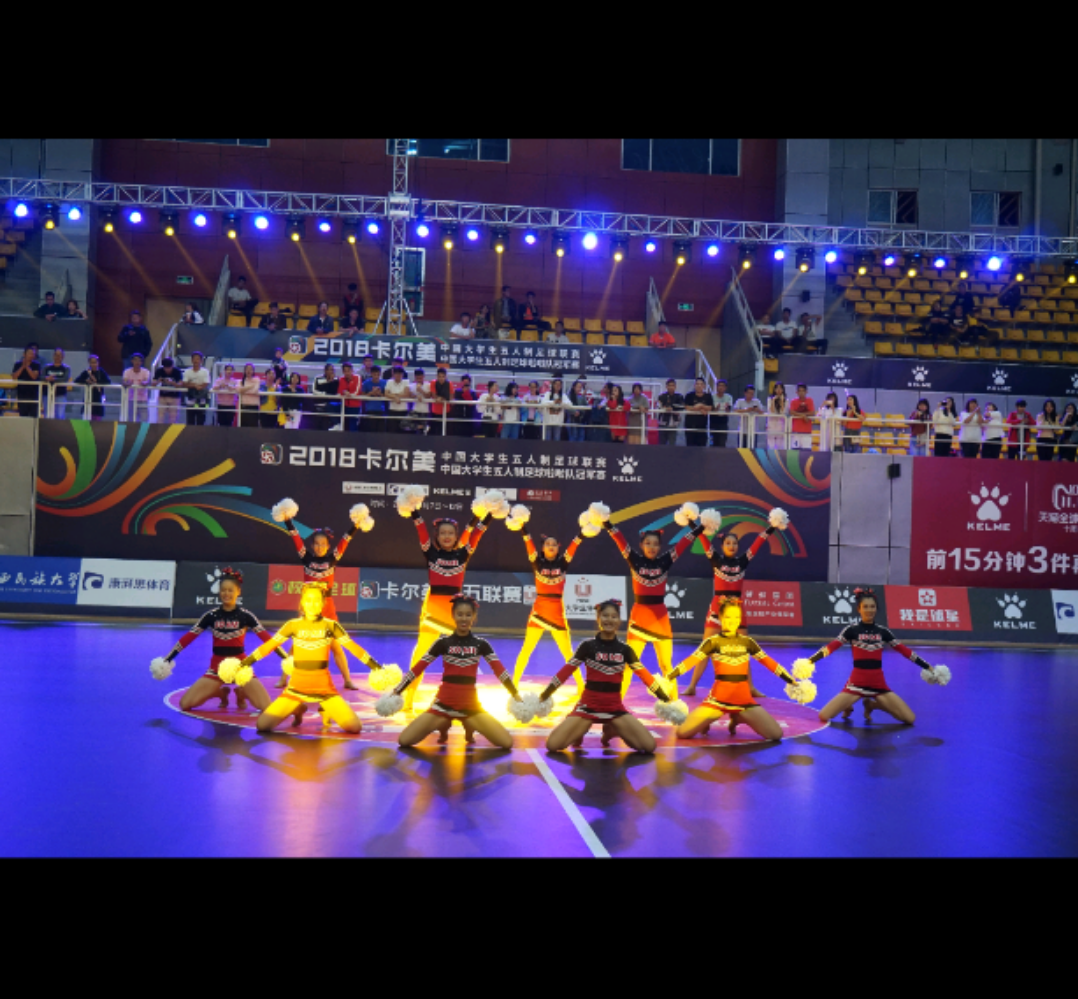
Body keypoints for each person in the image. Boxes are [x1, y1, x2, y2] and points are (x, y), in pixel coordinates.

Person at [239, 583, 384, 735]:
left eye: (316, 600)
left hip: (325, 689)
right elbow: (268, 647)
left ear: (323, 603)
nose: (312, 604)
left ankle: (326, 708)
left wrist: (376, 667)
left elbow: (353, 648)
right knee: (262, 725)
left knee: (355, 727)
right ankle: (297, 708)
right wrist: (245, 663)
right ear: (302, 602)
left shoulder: (331, 625)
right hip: (295, 689)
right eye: (308, 600)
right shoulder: (292, 625)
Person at [389, 595, 522, 749]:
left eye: (468, 615)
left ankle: (469, 725)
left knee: (507, 742)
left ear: (474, 617)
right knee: (404, 740)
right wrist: (398, 691)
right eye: (460, 614)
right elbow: (418, 668)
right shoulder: (442, 643)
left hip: (470, 708)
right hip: (442, 706)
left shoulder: (481, 644)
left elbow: (500, 671)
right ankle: (443, 723)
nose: (464, 619)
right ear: (453, 615)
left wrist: (515, 694)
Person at [542, 600, 674, 754]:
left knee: (649, 746)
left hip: (615, 708)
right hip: (588, 707)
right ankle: (577, 727)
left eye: (614, 616)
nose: (609, 620)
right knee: (552, 745)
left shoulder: (625, 650)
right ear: (598, 618)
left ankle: (610, 729)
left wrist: (665, 698)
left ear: (619, 621)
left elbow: (644, 675)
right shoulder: (587, 646)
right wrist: (545, 694)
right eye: (605, 616)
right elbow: (566, 671)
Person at [401, 490, 492, 711]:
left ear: (456, 535)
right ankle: (408, 697)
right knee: (421, 655)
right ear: (437, 536)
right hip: (433, 610)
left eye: (451, 532)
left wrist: (490, 513)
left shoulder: (463, 554)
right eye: (443, 533)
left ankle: (462, 696)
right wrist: (413, 509)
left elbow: (477, 534)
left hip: (455, 612)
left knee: (460, 656)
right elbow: (420, 530)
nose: (447, 536)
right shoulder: (430, 553)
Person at [273, 498, 373, 690]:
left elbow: (345, 541)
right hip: (308, 609)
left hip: (327, 608)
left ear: (328, 546)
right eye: (316, 544)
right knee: (297, 645)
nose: (319, 547)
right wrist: (287, 520)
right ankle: (283, 678)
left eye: (323, 544)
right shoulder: (306, 559)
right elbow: (295, 537)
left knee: (335, 644)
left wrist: (356, 525)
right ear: (312, 546)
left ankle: (347, 680)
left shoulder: (332, 560)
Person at [667, 597, 801, 741]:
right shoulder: (712, 642)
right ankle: (710, 719)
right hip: (717, 701)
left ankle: (738, 717)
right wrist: (669, 677)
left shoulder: (747, 642)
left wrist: (791, 681)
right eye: (728, 617)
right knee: (682, 732)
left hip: (744, 701)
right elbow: (691, 661)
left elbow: (769, 663)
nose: (733, 621)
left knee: (776, 734)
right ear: (720, 618)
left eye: (737, 617)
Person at [602, 512, 705, 695]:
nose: (651, 547)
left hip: (660, 619)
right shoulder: (634, 559)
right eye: (648, 543)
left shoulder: (666, 560)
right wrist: (607, 523)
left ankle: (674, 705)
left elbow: (683, 544)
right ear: (642, 545)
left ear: (660, 547)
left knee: (666, 666)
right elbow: (620, 540)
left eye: (655, 544)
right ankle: (616, 704)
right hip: (639, 617)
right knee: (629, 665)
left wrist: (699, 528)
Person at [807, 587, 943, 725]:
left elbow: (905, 651)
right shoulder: (851, 630)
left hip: (878, 685)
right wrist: (810, 661)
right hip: (856, 685)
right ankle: (848, 705)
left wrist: (928, 667)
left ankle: (872, 705)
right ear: (859, 609)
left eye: (872, 607)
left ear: (876, 609)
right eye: (865, 607)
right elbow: (830, 647)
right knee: (824, 715)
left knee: (909, 719)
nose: (869, 610)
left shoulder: (883, 632)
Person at [683, 513, 784, 699]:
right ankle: (692, 686)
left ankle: (750, 687)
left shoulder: (742, 561)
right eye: (728, 543)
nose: (731, 546)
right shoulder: (715, 559)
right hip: (717, 609)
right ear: (722, 546)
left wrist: (772, 526)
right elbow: (703, 539)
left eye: (735, 543)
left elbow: (758, 543)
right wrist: (691, 523)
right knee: (705, 649)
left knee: (744, 649)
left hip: (737, 610)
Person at [153, 568, 278, 714]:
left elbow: (268, 640)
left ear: (238, 591)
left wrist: (287, 658)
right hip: (216, 668)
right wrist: (168, 658)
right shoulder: (211, 616)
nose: (226, 593)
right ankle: (220, 693)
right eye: (223, 590)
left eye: (230, 590)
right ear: (219, 592)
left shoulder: (246, 616)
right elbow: (188, 638)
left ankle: (242, 693)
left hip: (241, 667)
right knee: (185, 704)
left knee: (266, 707)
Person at [511, 526, 586, 692]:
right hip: (539, 612)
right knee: (526, 649)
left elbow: (574, 546)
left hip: (557, 613)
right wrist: (523, 527)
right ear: (543, 548)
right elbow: (528, 544)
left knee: (568, 653)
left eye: (554, 544)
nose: (551, 546)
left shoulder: (563, 562)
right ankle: (514, 683)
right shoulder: (536, 561)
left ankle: (581, 687)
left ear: (558, 548)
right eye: (547, 544)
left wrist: (582, 533)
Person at [74, 355, 112, 420]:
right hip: (88, 398)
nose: (94, 364)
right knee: (86, 420)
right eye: (92, 362)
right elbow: (76, 380)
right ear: (89, 363)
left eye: (95, 362)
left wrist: (97, 381)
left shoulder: (101, 372)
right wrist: (86, 381)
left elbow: (108, 381)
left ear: (98, 363)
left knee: (97, 421)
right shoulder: (87, 372)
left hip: (98, 399)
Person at [152, 356, 184, 425]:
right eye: (165, 367)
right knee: (160, 416)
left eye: (169, 367)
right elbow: (152, 384)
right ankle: (159, 430)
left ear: (172, 365)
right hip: (162, 397)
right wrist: (158, 381)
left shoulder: (177, 371)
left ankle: (172, 431)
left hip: (175, 397)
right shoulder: (159, 371)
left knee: (173, 418)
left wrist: (172, 382)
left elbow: (181, 384)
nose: (167, 369)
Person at [682, 378, 713, 447]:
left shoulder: (708, 396)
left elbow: (710, 407)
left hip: (702, 426)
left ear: (704, 386)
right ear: (694, 385)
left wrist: (701, 405)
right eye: (697, 384)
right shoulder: (689, 395)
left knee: (701, 447)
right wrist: (699, 409)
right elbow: (686, 407)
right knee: (690, 447)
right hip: (690, 425)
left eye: (701, 384)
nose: (699, 386)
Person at [12, 346, 41, 418]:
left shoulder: (36, 365)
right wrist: (22, 367)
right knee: (23, 415)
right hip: (21, 393)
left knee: (33, 416)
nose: (31, 355)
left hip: (33, 394)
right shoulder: (18, 364)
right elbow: (14, 376)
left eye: (33, 354)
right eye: (29, 353)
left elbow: (34, 376)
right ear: (24, 354)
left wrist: (27, 367)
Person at [42, 348, 72, 419]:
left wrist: (54, 379)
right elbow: (41, 377)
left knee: (59, 416)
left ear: (63, 357)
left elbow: (65, 379)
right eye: (56, 355)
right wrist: (47, 378)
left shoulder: (66, 368)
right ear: (53, 356)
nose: (57, 357)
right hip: (47, 394)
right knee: (47, 415)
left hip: (60, 395)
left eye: (59, 355)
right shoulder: (47, 367)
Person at [183, 352, 211, 426]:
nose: (196, 361)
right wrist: (195, 385)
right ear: (191, 360)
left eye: (198, 359)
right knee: (190, 421)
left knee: (201, 421)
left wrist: (198, 387)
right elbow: (185, 383)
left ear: (201, 361)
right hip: (190, 399)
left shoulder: (205, 371)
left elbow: (206, 383)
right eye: (194, 359)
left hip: (202, 400)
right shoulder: (187, 371)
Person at [384, 365, 413, 432]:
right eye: (396, 373)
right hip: (392, 410)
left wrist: (394, 395)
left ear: (402, 374)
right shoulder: (389, 382)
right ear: (393, 374)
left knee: (403, 431)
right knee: (392, 431)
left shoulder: (406, 381)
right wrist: (395, 397)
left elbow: (407, 394)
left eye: (400, 373)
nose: (398, 375)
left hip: (403, 410)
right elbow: (386, 394)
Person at [122, 354, 151, 422]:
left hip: (143, 399)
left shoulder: (146, 372)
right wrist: (128, 383)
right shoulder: (127, 371)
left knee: (144, 419)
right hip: (131, 399)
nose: (137, 362)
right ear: (132, 361)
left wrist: (144, 383)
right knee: (132, 419)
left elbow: (146, 381)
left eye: (139, 360)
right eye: (135, 360)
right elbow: (124, 382)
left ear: (141, 362)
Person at [312, 362, 340, 431]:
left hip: (332, 403)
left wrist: (331, 381)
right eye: (329, 369)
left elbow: (334, 392)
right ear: (325, 370)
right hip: (320, 402)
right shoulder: (318, 378)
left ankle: (337, 425)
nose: (331, 371)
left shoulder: (336, 380)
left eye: (332, 370)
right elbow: (314, 390)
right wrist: (323, 393)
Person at [657, 378, 684, 446]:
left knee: (672, 445)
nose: (671, 387)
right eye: (669, 385)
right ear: (666, 386)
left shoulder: (679, 396)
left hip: (673, 424)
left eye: (673, 385)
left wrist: (672, 408)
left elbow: (681, 407)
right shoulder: (662, 396)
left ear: (675, 386)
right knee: (661, 444)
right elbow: (659, 406)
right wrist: (665, 408)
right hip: (663, 423)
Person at [787, 383, 814, 449]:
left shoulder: (810, 400)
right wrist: (803, 415)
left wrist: (803, 415)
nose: (801, 393)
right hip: (796, 431)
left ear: (806, 392)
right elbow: (791, 412)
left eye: (803, 391)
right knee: (795, 451)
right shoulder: (793, 401)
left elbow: (812, 412)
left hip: (807, 432)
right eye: (799, 391)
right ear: (797, 392)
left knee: (806, 451)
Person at [361, 364, 387, 434]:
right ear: (371, 374)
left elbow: (387, 395)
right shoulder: (366, 383)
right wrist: (371, 393)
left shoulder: (384, 383)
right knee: (371, 432)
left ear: (380, 374)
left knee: (381, 432)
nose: (376, 376)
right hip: (370, 410)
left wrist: (380, 394)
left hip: (381, 410)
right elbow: (362, 395)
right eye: (374, 374)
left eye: (378, 374)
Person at [337, 361, 362, 432]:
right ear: (343, 372)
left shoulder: (357, 377)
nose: (347, 373)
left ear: (352, 370)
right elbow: (340, 391)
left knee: (353, 426)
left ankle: (354, 439)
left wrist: (350, 394)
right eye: (345, 371)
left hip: (355, 406)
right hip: (344, 406)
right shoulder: (341, 379)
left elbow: (357, 391)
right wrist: (344, 392)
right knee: (344, 426)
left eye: (348, 371)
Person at [541, 377, 567, 441]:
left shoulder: (563, 395)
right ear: (553, 385)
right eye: (556, 384)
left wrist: (561, 403)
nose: (558, 386)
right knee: (547, 441)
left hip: (558, 422)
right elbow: (543, 403)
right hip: (548, 421)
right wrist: (553, 402)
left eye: (559, 384)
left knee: (557, 440)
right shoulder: (548, 394)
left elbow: (569, 404)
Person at [710, 379, 734, 447]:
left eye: (723, 386)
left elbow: (729, 410)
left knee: (722, 443)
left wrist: (726, 408)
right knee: (713, 443)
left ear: (725, 388)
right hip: (713, 421)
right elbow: (710, 409)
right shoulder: (712, 397)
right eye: (719, 385)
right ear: (716, 387)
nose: (721, 387)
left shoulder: (729, 397)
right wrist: (716, 408)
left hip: (723, 422)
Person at [237, 363, 261, 428]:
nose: (249, 371)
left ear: (253, 371)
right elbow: (239, 390)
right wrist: (251, 386)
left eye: (250, 369)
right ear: (244, 370)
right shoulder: (240, 381)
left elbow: (254, 391)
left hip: (254, 407)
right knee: (243, 427)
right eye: (247, 369)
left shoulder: (257, 380)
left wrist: (244, 390)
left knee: (253, 428)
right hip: (243, 406)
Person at [429, 368, 452, 436]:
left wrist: (441, 398)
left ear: (446, 376)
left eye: (443, 376)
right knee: (433, 432)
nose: (441, 378)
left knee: (445, 432)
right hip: (435, 411)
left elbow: (451, 396)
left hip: (446, 411)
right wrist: (438, 398)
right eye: (439, 376)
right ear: (437, 376)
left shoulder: (449, 383)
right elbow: (433, 395)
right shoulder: (433, 382)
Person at [410, 368, 432, 434]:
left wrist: (421, 391)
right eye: (417, 378)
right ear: (415, 377)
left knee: (424, 432)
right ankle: (420, 427)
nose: (419, 380)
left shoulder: (428, 385)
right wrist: (416, 395)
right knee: (405, 425)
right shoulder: (412, 385)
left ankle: (423, 428)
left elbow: (429, 396)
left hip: (425, 411)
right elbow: (409, 395)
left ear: (423, 376)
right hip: (415, 410)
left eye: (420, 378)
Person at [766, 382, 787, 449]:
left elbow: (783, 413)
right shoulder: (770, 399)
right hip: (771, 425)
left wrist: (781, 401)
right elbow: (771, 412)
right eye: (777, 388)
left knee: (780, 447)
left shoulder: (786, 400)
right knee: (771, 446)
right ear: (774, 389)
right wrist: (773, 401)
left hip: (780, 425)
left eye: (780, 388)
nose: (778, 390)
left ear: (783, 390)